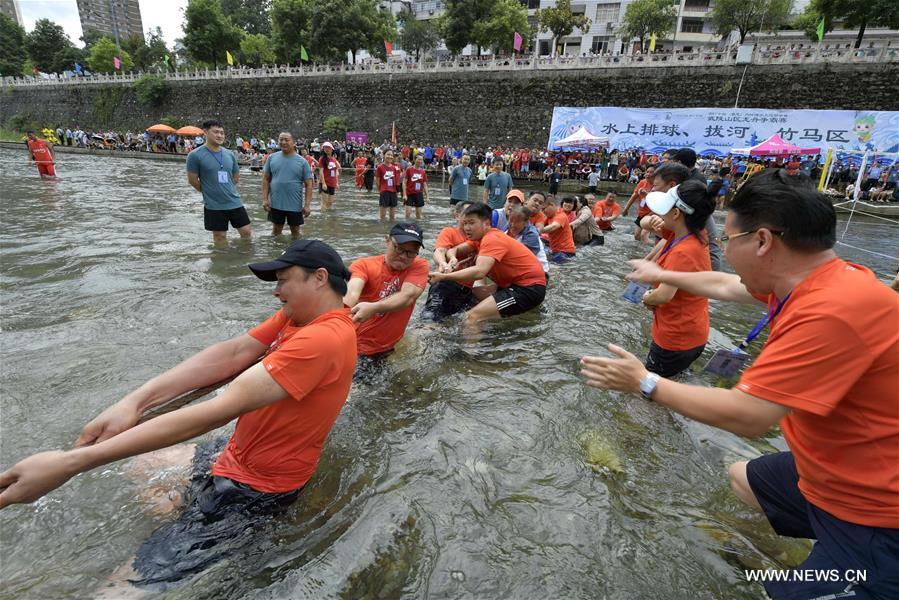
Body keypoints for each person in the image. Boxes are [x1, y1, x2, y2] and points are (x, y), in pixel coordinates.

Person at [582, 169, 899, 600]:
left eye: (729, 240)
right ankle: (797, 546)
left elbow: (751, 416)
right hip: (835, 467)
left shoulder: (831, 312)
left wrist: (644, 382)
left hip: (877, 510)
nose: (724, 251)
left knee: (778, 594)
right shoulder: (826, 279)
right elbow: (724, 284)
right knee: (743, 478)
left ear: (764, 240)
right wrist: (664, 274)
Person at [0, 240, 357, 586]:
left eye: (283, 280)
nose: (276, 291)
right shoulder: (299, 318)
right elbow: (232, 354)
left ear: (320, 278)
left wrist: (70, 464)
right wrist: (133, 403)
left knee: (124, 584)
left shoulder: (323, 339)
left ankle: (202, 535)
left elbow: (216, 411)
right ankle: (183, 517)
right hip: (236, 454)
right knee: (143, 464)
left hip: (254, 490)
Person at [637, 180, 719, 377]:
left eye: (663, 210)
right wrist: (651, 221)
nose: (659, 214)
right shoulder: (690, 233)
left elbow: (664, 295)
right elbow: (643, 222)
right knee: (678, 378)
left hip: (674, 338)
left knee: (650, 392)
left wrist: (647, 297)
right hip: (693, 332)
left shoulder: (683, 250)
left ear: (675, 214)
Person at [429, 203, 546, 332]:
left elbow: (480, 271)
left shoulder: (492, 239)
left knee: (471, 316)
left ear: (486, 223)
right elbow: (455, 250)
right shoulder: (479, 239)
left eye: (472, 223)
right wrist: (452, 259)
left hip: (528, 288)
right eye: (465, 223)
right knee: (471, 302)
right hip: (511, 285)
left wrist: (445, 276)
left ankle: (471, 352)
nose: (467, 227)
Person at [343, 223, 428, 361]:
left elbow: (408, 296)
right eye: (399, 249)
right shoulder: (364, 265)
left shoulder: (419, 265)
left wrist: (373, 307)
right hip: (357, 347)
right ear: (387, 241)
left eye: (411, 252)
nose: (403, 256)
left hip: (385, 347)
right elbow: (352, 292)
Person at [186, 120, 251, 244]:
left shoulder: (229, 154)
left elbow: (236, 175)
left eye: (222, 133)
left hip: (234, 201)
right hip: (213, 205)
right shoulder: (195, 155)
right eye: (216, 132)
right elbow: (192, 180)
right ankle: (222, 261)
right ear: (205, 132)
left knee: (246, 232)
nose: (220, 135)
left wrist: (228, 188)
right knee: (219, 237)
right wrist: (209, 191)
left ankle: (243, 259)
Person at [423, 201, 478, 321]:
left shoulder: (478, 238)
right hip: (445, 285)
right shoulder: (449, 232)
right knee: (430, 320)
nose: (469, 218)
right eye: (466, 214)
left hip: (466, 291)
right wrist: (442, 263)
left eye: (473, 215)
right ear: (457, 216)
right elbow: (440, 251)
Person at [670, 148, 722, 271]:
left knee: (710, 247)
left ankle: (711, 279)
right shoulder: (692, 175)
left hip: (699, 215)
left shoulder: (694, 178)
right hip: (694, 214)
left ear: (679, 162)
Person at [262, 131, 314, 240]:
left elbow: (309, 184)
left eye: (287, 140)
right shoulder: (272, 158)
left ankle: (295, 254)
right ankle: (275, 254)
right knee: (276, 230)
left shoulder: (302, 162)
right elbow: (266, 179)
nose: (283, 142)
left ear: (294, 142)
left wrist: (307, 205)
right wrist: (265, 199)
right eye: (281, 140)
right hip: (276, 203)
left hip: (294, 204)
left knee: (295, 231)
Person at [507, 205, 550, 278]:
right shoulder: (508, 230)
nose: (513, 225)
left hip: (541, 275)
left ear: (526, 222)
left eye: (517, 222)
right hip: (525, 270)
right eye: (511, 220)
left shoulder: (531, 235)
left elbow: (522, 259)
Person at [623, 165, 655, 242]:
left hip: (652, 213)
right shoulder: (642, 182)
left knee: (644, 233)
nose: (648, 174)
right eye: (647, 172)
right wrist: (626, 208)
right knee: (637, 235)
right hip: (641, 213)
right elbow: (634, 196)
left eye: (651, 172)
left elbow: (658, 202)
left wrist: (647, 194)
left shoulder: (658, 185)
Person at [375, 150, 404, 222]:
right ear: (384, 155)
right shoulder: (380, 167)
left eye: (391, 155)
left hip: (393, 192)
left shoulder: (394, 168)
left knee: (392, 217)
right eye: (388, 154)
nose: (390, 156)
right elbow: (377, 180)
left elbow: (397, 180)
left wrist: (398, 191)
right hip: (384, 191)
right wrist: (380, 190)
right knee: (382, 217)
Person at [403, 154, 430, 220]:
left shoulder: (423, 171)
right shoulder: (409, 169)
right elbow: (404, 182)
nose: (420, 161)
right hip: (409, 193)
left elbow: (425, 185)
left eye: (421, 159)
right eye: (419, 159)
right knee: (408, 213)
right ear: (414, 160)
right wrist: (404, 194)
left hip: (419, 194)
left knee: (418, 214)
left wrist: (427, 196)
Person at [318, 142, 341, 210]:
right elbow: (321, 172)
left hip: (332, 183)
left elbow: (335, 171)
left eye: (328, 147)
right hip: (324, 183)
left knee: (330, 202)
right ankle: (323, 217)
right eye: (325, 148)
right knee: (324, 202)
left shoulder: (333, 159)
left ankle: (328, 218)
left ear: (332, 149)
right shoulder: (322, 159)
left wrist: (336, 182)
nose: (327, 149)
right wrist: (323, 183)